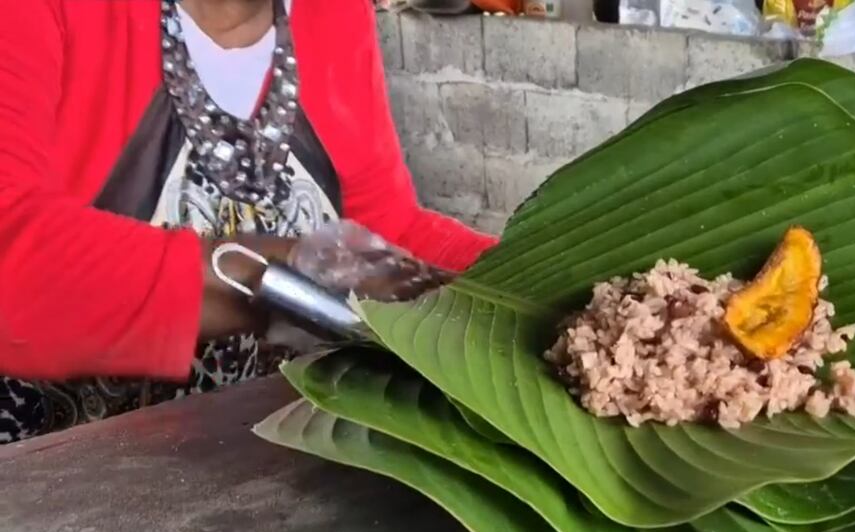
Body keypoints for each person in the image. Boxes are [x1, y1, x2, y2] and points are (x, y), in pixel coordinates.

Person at [0, 0, 496, 443]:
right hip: (58, 482)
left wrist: (543, 277)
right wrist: (277, 276)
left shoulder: (333, 11)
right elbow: (13, 257)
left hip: (249, 464)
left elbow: (386, 229)